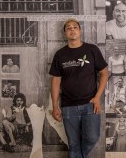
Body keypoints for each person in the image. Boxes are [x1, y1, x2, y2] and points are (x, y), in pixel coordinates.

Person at [49, 18, 108, 158]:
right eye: (68, 28)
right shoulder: (60, 54)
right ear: (65, 34)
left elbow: (104, 73)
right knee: (73, 144)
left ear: (80, 31)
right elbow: (56, 81)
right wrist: (55, 106)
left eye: (75, 27)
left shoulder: (92, 49)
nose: (72, 29)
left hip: (90, 104)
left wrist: (97, 98)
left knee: (92, 138)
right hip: (68, 106)